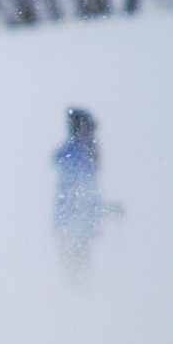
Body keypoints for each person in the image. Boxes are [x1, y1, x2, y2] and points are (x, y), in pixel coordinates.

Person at [52, 107, 121, 284]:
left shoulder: (76, 159)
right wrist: (103, 211)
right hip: (74, 233)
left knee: (76, 279)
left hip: (74, 232)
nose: (95, 140)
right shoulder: (78, 161)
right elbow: (79, 200)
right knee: (77, 280)